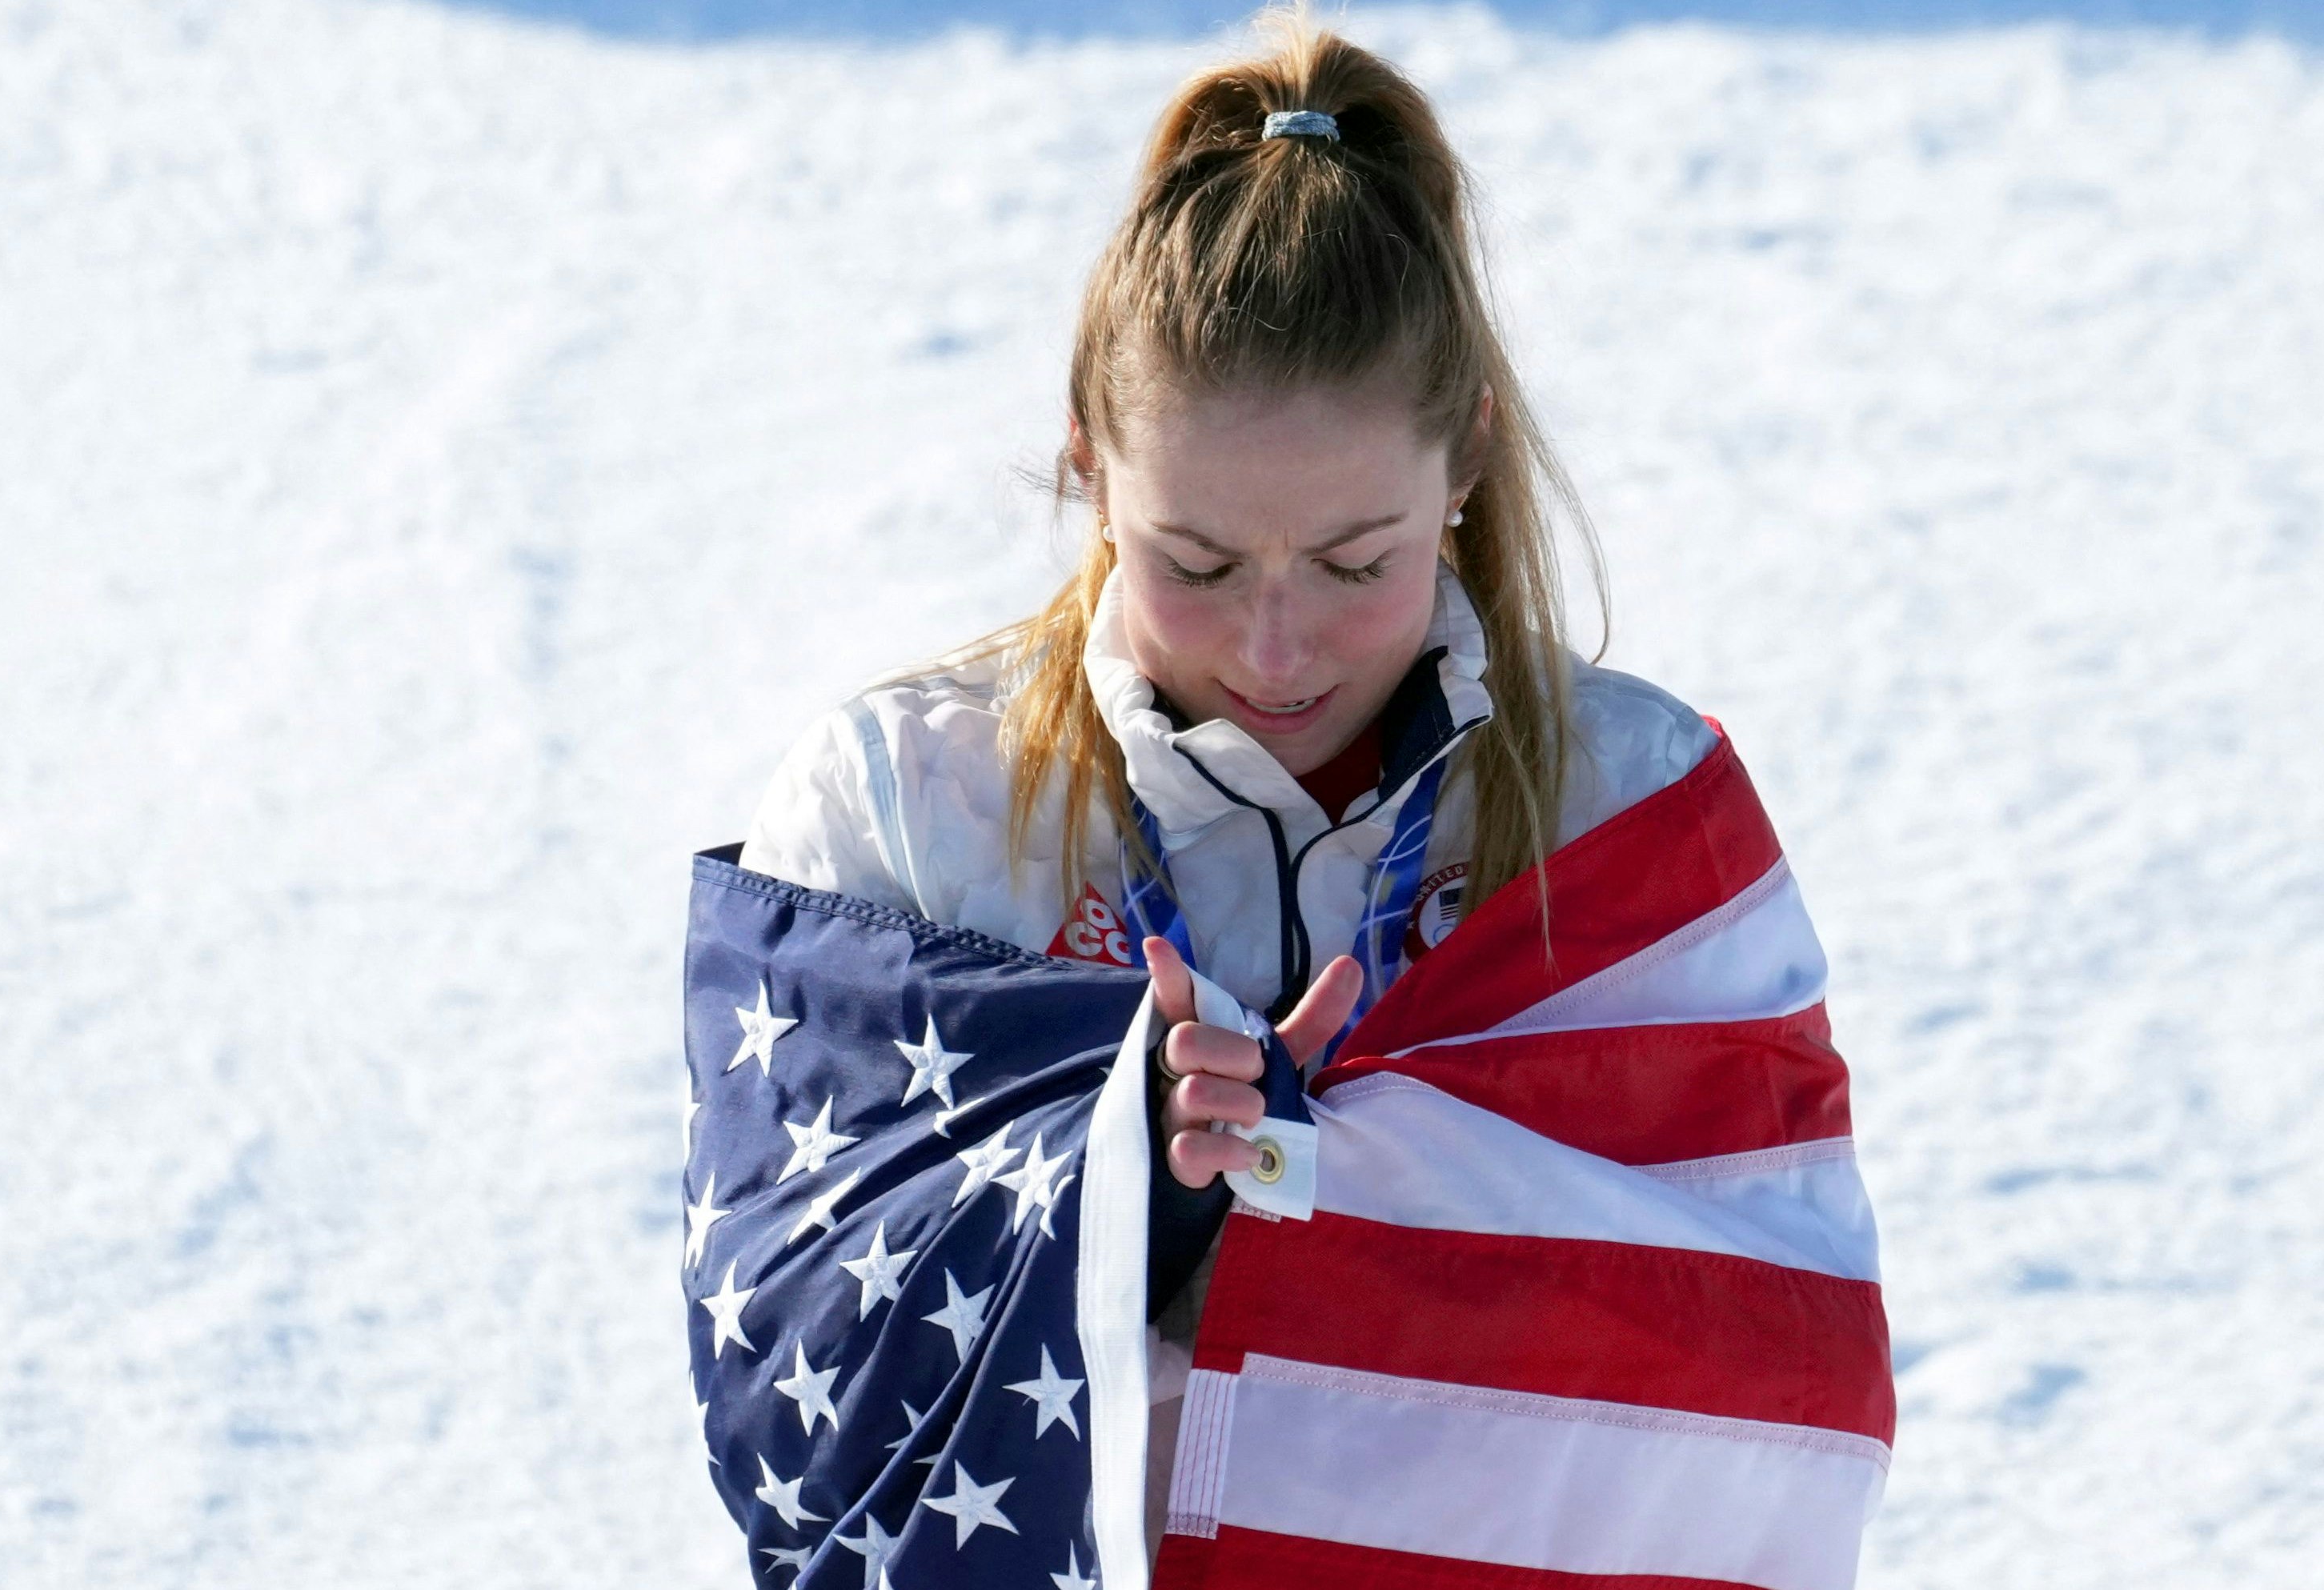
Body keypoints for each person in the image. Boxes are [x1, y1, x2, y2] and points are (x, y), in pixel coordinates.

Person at [736, 6, 1746, 1551]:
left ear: (1467, 458)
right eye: (1194, 563)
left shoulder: (1636, 805)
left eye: (1358, 563)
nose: (1279, 651)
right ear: (1089, 456)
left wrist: (1377, 1199)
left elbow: (1763, 1369)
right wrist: (1108, 1196)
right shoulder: (901, 804)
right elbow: (788, 1383)